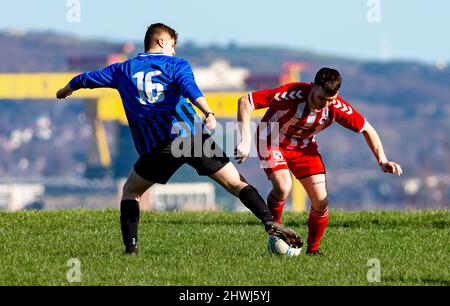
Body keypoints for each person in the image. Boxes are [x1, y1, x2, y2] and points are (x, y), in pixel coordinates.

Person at [56, 23, 302, 255]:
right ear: (161, 41)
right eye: (172, 45)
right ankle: (269, 221)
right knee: (237, 184)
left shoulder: (122, 69)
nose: (174, 51)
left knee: (131, 191)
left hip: (163, 146)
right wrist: (208, 112)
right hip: (193, 136)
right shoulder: (177, 65)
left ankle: (130, 251)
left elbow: (85, 79)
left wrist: (66, 90)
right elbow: (190, 88)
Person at [235, 67, 403, 255]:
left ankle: (313, 250)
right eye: (321, 98)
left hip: (304, 147)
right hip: (271, 138)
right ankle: (276, 231)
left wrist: (382, 160)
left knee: (321, 201)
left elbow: (367, 129)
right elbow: (245, 102)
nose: (325, 104)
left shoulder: (336, 107)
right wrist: (245, 140)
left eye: (330, 100)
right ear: (313, 86)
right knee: (283, 187)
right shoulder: (291, 93)